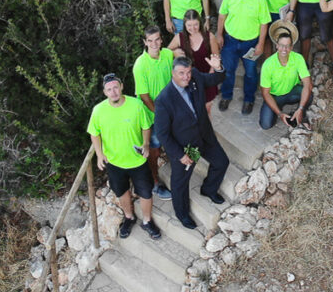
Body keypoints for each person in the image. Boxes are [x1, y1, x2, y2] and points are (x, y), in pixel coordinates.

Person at [153, 56, 228, 229]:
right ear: (173, 73)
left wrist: (218, 68)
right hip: (187, 148)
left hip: (205, 136)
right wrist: (180, 155)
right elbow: (163, 134)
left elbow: (217, 78)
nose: (186, 77)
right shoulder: (164, 100)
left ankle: (208, 190)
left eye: (188, 72)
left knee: (222, 162)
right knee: (180, 182)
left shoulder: (195, 76)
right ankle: (182, 214)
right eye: (181, 73)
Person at [87, 73, 161, 240]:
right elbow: (94, 134)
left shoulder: (136, 105)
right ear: (104, 92)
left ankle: (147, 221)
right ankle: (129, 217)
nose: (113, 92)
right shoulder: (98, 110)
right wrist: (99, 155)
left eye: (115, 87)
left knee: (146, 192)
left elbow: (146, 126)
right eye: (109, 89)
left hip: (138, 160)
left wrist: (146, 144)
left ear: (121, 87)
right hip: (114, 162)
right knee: (122, 192)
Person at [216, 0, 270, 114]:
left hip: (251, 43)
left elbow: (264, 23)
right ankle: (226, 96)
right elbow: (222, 15)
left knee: (251, 73)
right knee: (228, 71)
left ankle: (249, 100)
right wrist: (219, 35)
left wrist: (261, 44)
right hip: (230, 41)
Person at [132, 27, 176, 200]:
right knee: (154, 151)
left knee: (177, 139)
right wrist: (160, 114)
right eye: (150, 40)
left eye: (157, 39)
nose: (154, 43)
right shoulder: (140, 65)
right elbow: (144, 96)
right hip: (152, 116)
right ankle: (156, 184)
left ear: (161, 40)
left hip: (171, 109)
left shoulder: (167, 55)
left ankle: (181, 167)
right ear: (145, 42)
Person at [166, 9, 220, 113]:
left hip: (206, 76)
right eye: (189, 25)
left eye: (196, 24)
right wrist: (174, 53)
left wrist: (211, 72)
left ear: (200, 22)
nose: (193, 28)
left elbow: (216, 56)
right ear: (184, 25)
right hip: (188, 78)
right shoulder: (179, 37)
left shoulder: (209, 37)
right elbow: (166, 51)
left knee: (206, 107)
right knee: (191, 107)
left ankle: (206, 128)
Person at [258, 29, 312, 130]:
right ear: (276, 46)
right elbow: (265, 93)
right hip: (275, 96)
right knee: (265, 125)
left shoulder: (298, 58)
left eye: (287, 46)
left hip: (292, 91)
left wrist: (300, 108)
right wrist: (280, 114)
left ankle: (300, 114)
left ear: (291, 47)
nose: (284, 49)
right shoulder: (268, 64)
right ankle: (279, 111)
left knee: (309, 93)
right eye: (281, 45)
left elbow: (307, 84)